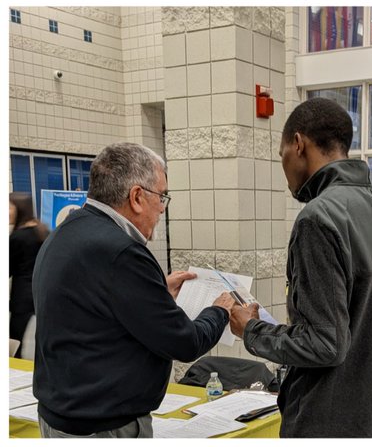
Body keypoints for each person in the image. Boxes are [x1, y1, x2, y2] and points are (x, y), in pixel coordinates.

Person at [228, 98, 372, 438]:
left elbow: (324, 343)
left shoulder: (318, 219)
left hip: (323, 422)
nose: (284, 167)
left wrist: (252, 330)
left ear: (298, 144)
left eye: (281, 154)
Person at [31, 143, 235, 437]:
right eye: (162, 197)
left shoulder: (67, 231)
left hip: (60, 416)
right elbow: (184, 343)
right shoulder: (122, 252)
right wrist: (220, 311)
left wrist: (155, 292)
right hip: (104, 426)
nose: (163, 208)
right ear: (137, 196)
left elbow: (93, 308)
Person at [9, 193, 48, 357]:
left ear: (19, 209)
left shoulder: (17, 237)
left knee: (15, 338)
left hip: (22, 297)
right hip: (40, 292)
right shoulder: (42, 231)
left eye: (9, 207)